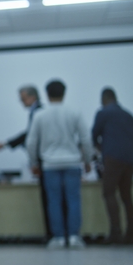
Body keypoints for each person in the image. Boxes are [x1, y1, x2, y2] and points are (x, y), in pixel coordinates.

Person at [26, 80, 94, 250]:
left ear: (47, 94)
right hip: (72, 162)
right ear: (64, 93)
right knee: (73, 199)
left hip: (49, 164)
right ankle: (73, 237)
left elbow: (31, 142)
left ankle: (57, 238)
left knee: (54, 201)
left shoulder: (40, 115)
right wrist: (87, 160)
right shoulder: (74, 112)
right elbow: (86, 139)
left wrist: (34, 163)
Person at [0, 85, 57, 238]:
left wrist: (8, 144)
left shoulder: (38, 112)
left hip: (45, 160)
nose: (21, 102)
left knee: (49, 199)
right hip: (47, 159)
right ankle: (53, 233)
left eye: (22, 99)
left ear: (32, 97)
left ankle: (53, 234)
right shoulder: (37, 111)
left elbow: (31, 136)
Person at [91, 87, 133, 245]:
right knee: (126, 196)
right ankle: (131, 234)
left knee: (109, 193)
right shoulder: (129, 115)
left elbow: (94, 135)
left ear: (103, 100)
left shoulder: (103, 113)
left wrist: (101, 148)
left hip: (112, 159)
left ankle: (115, 233)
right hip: (129, 159)